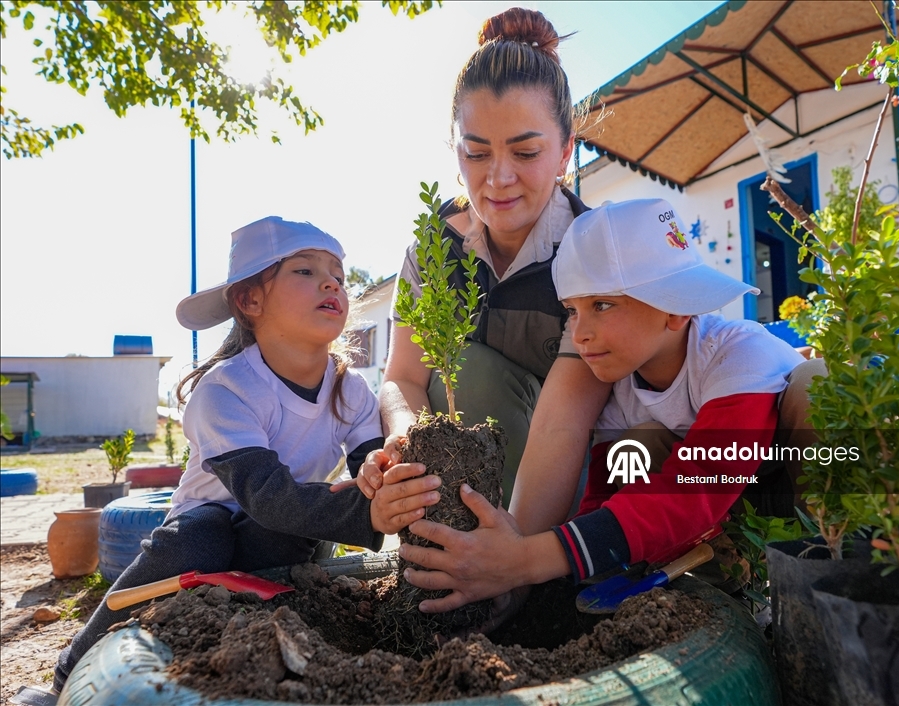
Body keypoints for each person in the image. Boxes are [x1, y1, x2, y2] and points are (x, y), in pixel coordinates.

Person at [52, 217, 439, 692]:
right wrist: (369, 516)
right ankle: (72, 665)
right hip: (212, 526)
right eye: (304, 271)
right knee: (204, 536)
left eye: (338, 274)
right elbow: (267, 495)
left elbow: (365, 471)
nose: (331, 282)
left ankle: (275, 640)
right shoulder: (226, 389)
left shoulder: (351, 389)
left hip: (285, 530)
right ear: (250, 300)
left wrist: (382, 475)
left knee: (283, 536)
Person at [395, 198, 806, 611]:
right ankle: (728, 589)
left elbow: (701, 482)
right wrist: (543, 581)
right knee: (639, 445)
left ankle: (827, 579)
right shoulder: (620, 390)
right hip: (732, 528)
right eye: (572, 310)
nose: (580, 332)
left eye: (602, 305)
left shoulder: (737, 356)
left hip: (791, 504)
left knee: (814, 387)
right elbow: (603, 498)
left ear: (675, 308)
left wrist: (526, 560)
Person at [371, 7, 612, 509]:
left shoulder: (592, 251)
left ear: (566, 150)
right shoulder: (434, 249)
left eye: (525, 153)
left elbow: (564, 423)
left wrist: (516, 558)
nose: (498, 179)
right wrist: (404, 438)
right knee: (458, 368)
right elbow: (404, 378)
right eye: (476, 154)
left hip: (584, 471)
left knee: (470, 371)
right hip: (467, 482)